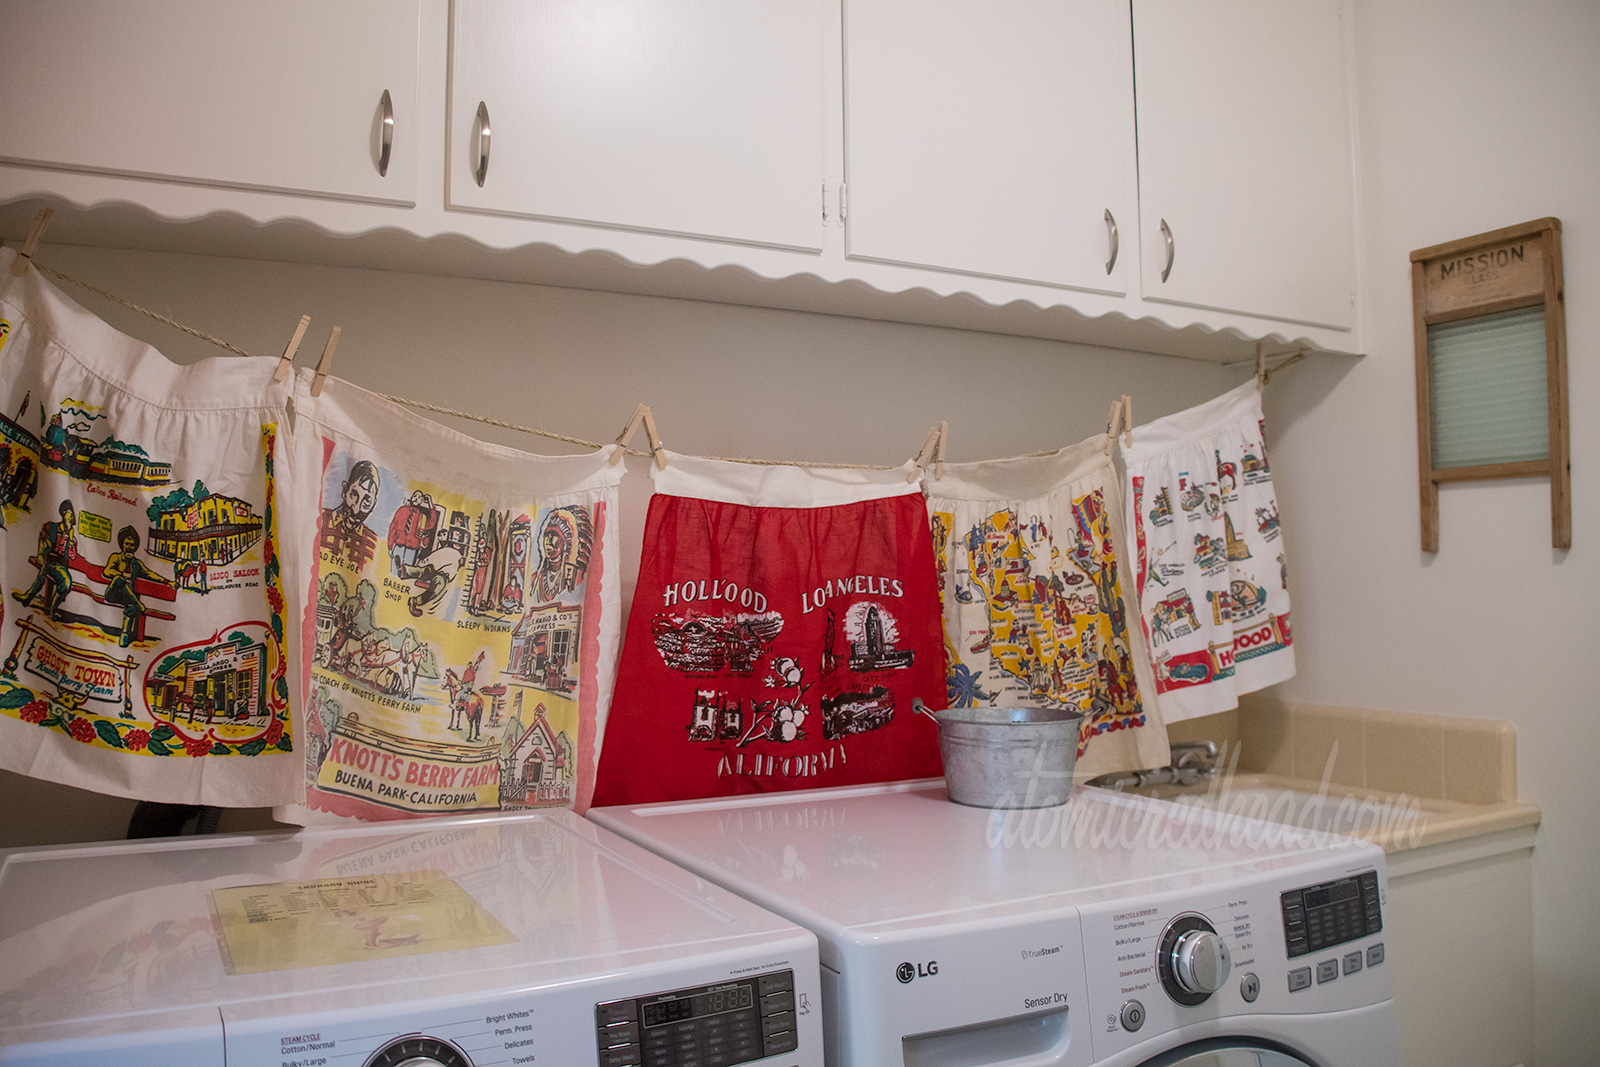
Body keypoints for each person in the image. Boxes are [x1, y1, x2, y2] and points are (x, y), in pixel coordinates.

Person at [103, 526, 171, 647]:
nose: (129, 547)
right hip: (113, 593)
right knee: (120, 579)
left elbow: (149, 573)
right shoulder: (116, 557)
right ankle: (138, 604)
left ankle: (124, 636)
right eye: (127, 544)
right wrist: (121, 574)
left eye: (132, 545)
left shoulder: (136, 564)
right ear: (122, 545)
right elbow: (107, 571)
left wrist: (166, 581)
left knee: (132, 608)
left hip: (127, 598)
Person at [15, 500, 79, 622]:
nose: (68, 516)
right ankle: (27, 598)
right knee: (44, 570)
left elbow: (72, 556)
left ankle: (52, 609)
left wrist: (70, 539)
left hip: (59, 566)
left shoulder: (72, 538)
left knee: (66, 583)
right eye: (65, 513)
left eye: (70, 514)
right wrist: (41, 552)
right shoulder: (52, 527)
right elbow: (42, 535)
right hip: (48, 560)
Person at [319, 460, 380, 569]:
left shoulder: (372, 543)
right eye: (353, 495)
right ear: (344, 491)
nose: (356, 510)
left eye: (366, 502)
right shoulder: (319, 520)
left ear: (373, 506)